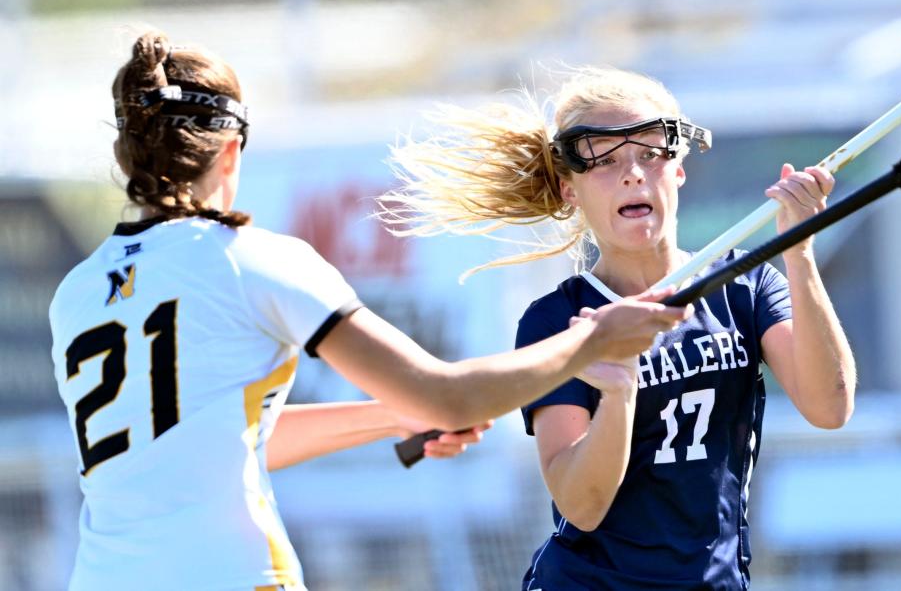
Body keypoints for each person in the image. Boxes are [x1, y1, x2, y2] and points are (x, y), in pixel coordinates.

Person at [48, 34, 689, 591]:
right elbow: (449, 398)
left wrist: (388, 416)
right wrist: (592, 343)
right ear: (229, 154)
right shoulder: (248, 258)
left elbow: (221, 445)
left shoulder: (74, 294)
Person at [382, 66, 857, 589]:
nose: (632, 174)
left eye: (649, 154)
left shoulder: (746, 287)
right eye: (605, 162)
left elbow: (829, 406)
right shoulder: (558, 322)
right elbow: (581, 505)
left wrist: (801, 254)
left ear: (678, 170)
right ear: (569, 189)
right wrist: (618, 394)